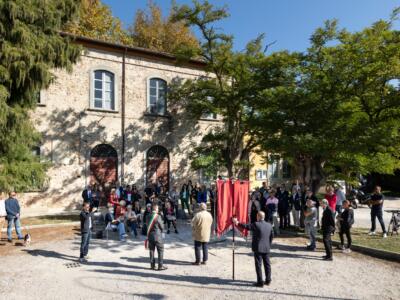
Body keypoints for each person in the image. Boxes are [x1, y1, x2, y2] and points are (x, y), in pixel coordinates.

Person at [233, 211, 273, 287]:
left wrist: (237, 222)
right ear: (263, 217)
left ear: (258, 216)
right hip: (266, 247)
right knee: (267, 265)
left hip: (258, 248)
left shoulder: (256, 224)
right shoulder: (269, 225)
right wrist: (268, 244)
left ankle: (260, 282)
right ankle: (268, 280)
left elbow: (247, 227)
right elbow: (271, 236)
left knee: (258, 265)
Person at [146, 203, 167, 271]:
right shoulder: (158, 216)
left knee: (151, 251)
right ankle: (160, 266)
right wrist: (162, 231)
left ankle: (152, 265)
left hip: (150, 236)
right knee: (160, 250)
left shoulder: (148, 216)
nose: (158, 210)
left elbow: (147, 225)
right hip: (157, 236)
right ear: (156, 209)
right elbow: (161, 226)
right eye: (157, 208)